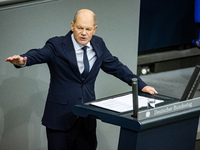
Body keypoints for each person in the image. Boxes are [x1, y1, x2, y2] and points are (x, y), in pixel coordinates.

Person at [6, 9, 157, 150]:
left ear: (94, 29)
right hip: (60, 120)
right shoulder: (57, 44)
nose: (83, 33)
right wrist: (23, 60)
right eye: (80, 28)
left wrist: (140, 85)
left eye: (88, 29)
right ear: (72, 26)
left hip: (87, 119)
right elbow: (39, 54)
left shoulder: (99, 45)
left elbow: (117, 67)